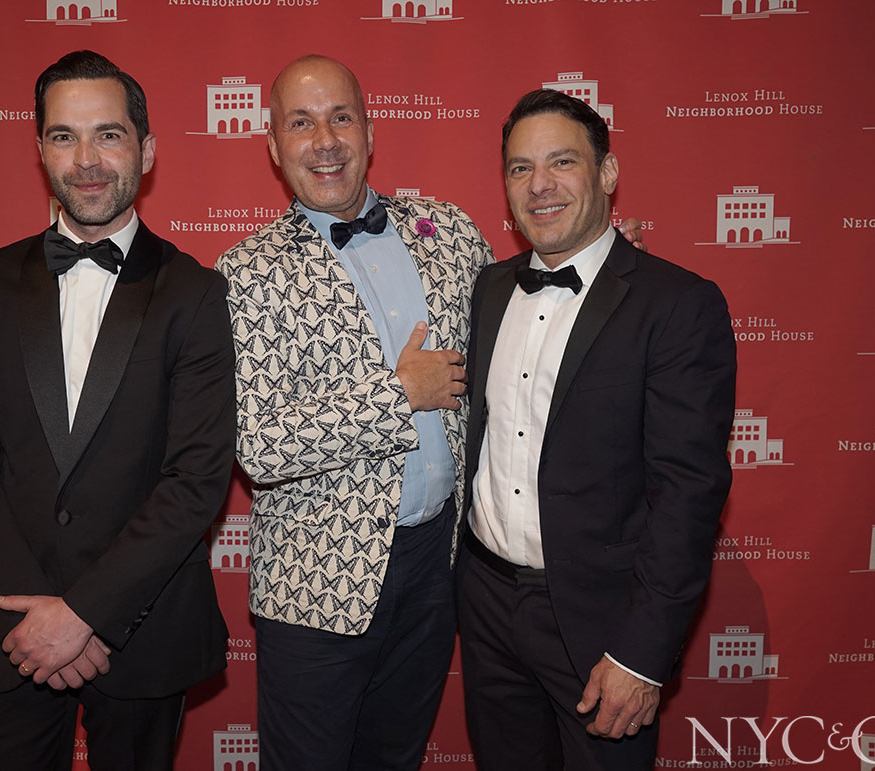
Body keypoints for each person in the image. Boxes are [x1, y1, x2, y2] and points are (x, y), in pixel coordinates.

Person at [216, 55, 643, 770]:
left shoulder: (446, 231)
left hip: (440, 566)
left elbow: (524, 340)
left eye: (341, 118)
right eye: (301, 123)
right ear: (273, 146)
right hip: (316, 582)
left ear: (370, 131)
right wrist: (398, 394)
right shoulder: (246, 272)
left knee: (397, 756)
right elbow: (258, 445)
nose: (325, 141)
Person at [0, 50, 234, 771]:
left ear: (147, 151)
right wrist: (38, 616)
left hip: (143, 632)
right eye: (65, 136)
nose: (87, 160)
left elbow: (195, 479)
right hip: (8, 631)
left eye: (109, 135)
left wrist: (85, 614)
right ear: (40, 150)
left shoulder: (195, 294)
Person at [457, 87, 737, 770]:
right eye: (520, 168)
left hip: (601, 623)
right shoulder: (488, 289)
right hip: (487, 605)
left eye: (562, 162)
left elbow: (687, 495)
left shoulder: (677, 304)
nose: (540, 185)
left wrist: (642, 655)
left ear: (607, 173)